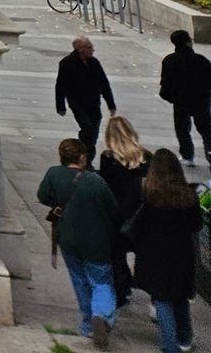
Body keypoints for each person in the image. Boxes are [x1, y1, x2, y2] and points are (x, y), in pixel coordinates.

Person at [38, 138, 120, 347]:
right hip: (96, 242)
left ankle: (87, 324)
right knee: (101, 282)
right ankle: (101, 314)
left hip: (68, 239)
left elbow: (43, 196)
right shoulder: (95, 180)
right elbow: (112, 208)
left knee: (80, 281)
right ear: (82, 157)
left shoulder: (53, 174)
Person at [127, 146, 200, 353]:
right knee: (180, 297)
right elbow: (196, 226)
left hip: (154, 255)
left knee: (162, 301)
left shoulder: (150, 196)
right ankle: (185, 338)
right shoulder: (189, 196)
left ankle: (170, 346)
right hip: (182, 255)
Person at [97, 114, 149, 306]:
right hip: (140, 214)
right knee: (139, 251)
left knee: (116, 255)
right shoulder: (146, 157)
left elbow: (106, 186)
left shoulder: (108, 158)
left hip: (117, 214)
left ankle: (121, 290)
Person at [57, 37, 118, 155]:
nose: (93, 50)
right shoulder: (67, 63)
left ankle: (83, 153)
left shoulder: (94, 63)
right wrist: (61, 106)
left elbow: (104, 83)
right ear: (80, 49)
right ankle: (86, 157)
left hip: (94, 102)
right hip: (77, 103)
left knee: (93, 132)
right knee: (87, 129)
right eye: (89, 47)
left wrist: (111, 104)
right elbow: (60, 85)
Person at [158, 29, 211, 165]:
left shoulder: (169, 61)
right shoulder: (201, 60)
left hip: (180, 100)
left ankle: (187, 155)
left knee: (182, 128)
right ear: (188, 42)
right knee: (206, 129)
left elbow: (165, 84)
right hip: (201, 100)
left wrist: (171, 97)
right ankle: (209, 152)